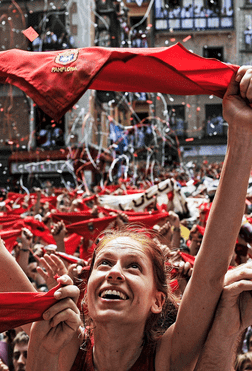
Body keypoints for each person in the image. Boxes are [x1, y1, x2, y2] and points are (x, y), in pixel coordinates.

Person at [26, 65, 252, 371]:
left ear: (158, 301)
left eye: (133, 266)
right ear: (84, 298)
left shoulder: (168, 358)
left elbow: (210, 271)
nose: (115, 273)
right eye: (104, 263)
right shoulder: (59, 346)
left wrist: (241, 133)